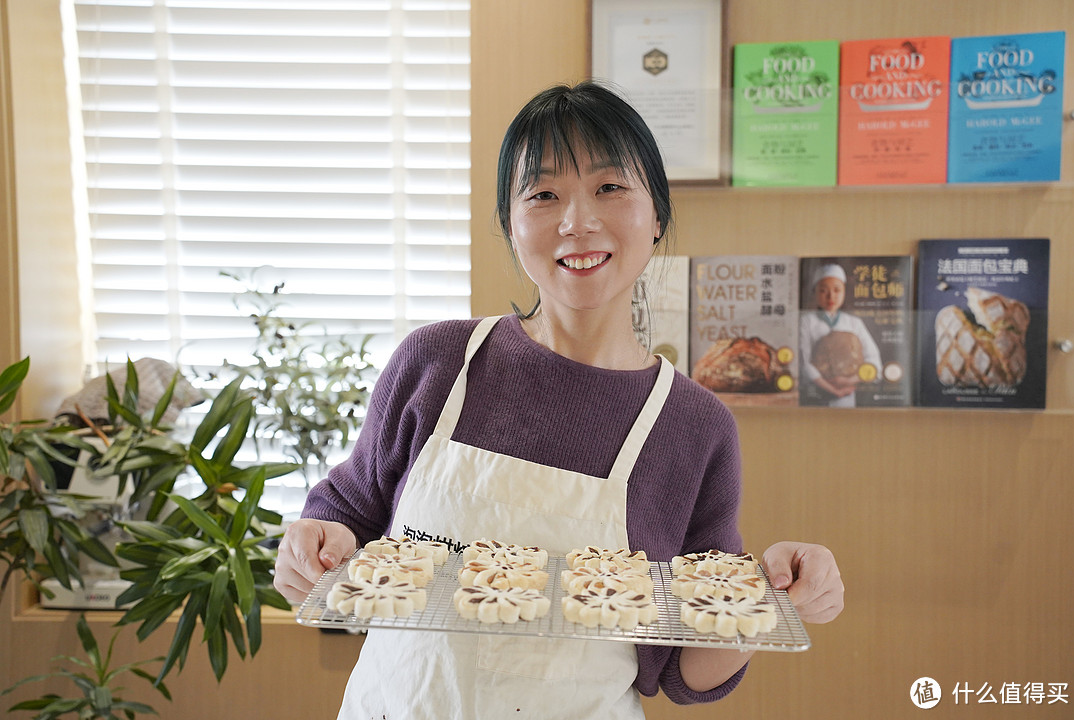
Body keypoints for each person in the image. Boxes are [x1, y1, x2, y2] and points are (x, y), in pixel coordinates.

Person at [274, 81, 844, 719]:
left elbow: (686, 670)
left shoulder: (692, 427)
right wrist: (312, 545)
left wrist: (770, 598)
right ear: (510, 225)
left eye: (609, 188)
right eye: (543, 195)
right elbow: (349, 511)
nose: (577, 222)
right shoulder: (436, 362)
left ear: (656, 214)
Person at [799, 262, 883, 408]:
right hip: (815, 394)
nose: (831, 296)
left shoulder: (854, 323)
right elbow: (803, 362)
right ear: (815, 293)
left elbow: (874, 362)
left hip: (847, 396)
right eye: (823, 290)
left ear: (844, 292)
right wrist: (830, 388)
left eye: (837, 290)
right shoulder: (806, 321)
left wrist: (849, 381)